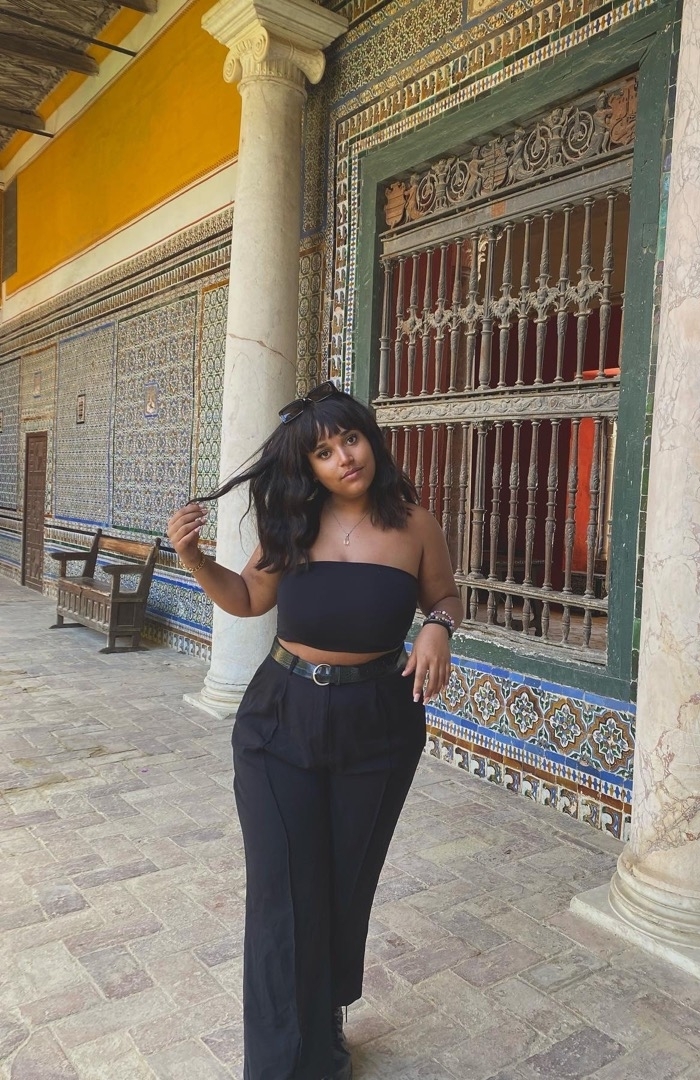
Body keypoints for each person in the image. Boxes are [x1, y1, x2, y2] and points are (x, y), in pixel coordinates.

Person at [166, 380, 462, 1080]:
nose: (343, 458)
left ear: (371, 441)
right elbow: (247, 598)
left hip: (379, 723)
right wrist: (196, 560)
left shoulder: (416, 525)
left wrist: (437, 628)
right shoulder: (292, 525)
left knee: (344, 882)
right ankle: (279, 1065)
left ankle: (324, 1017)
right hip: (280, 719)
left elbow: (445, 596)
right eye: (324, 452)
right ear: (309, 467)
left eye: (350, 439)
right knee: (281, 893)